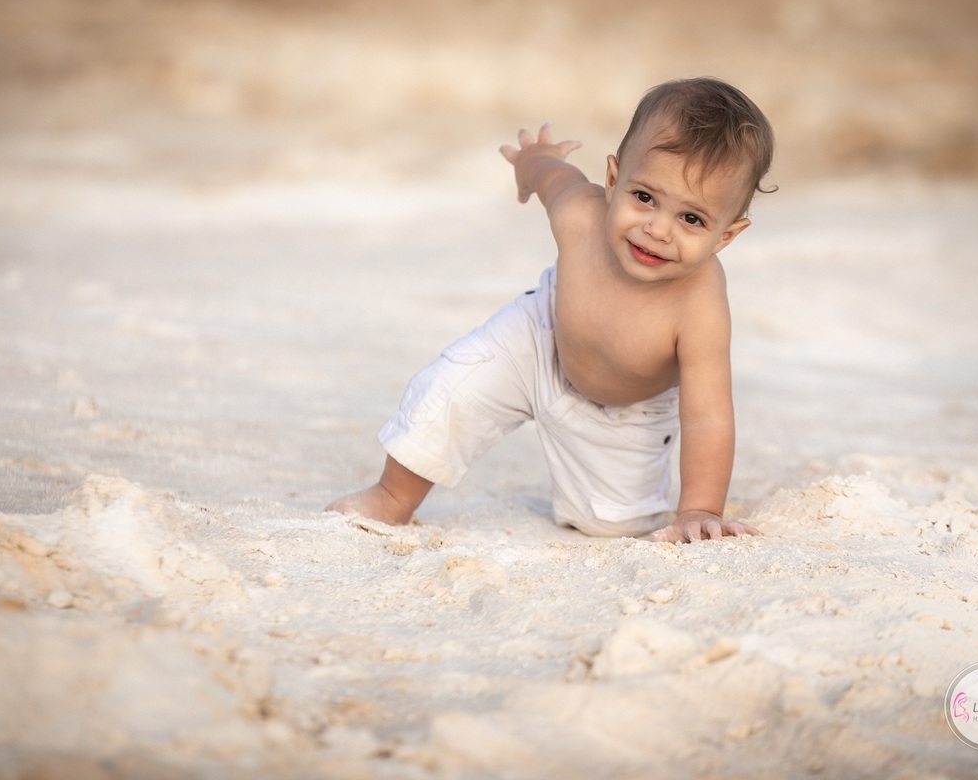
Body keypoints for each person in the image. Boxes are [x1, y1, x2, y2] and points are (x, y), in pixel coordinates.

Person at [327, 77, 774, 543]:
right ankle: (392, 497)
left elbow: (707, 415)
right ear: (613, 179)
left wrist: (698, 508)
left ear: (726, 236)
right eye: (644, 197)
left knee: (611, 523)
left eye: (691, 218)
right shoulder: (579, 212)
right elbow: (549, 176)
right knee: (450, 391)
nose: (658, 229)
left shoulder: (699, 302)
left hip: (624, 411)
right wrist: (533, 158)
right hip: (538, 340)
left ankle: (628, 505)